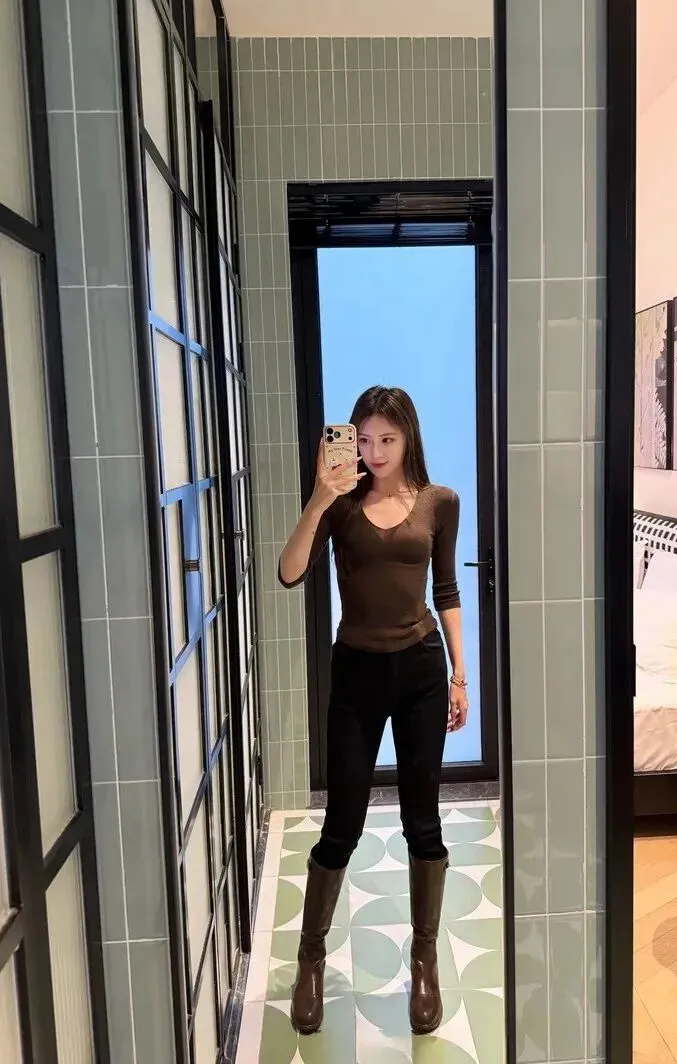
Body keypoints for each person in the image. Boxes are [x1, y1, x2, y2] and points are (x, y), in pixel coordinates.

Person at [277, 385, 469, 1037]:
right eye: (363, 439)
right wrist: (318, 498)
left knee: (423, 821)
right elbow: (288, 572)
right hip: (356, 674)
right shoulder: (339, 505)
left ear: (408, 437)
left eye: (387, 439)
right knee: (342, 824)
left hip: (421, 671)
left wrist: (460, 674)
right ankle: (309, 960)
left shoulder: (441, 502)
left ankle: (424, 960)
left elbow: (447, 588)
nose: (375, 451)